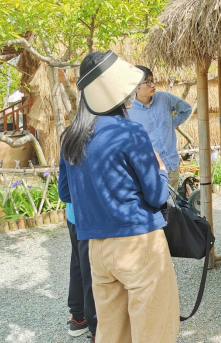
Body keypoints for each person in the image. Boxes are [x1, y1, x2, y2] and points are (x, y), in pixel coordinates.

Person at [59, 51, 180, 343]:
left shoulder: (71, 136)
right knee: (154, 331)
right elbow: (157, 195)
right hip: (139, 243)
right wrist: (162, 171)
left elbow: (66, 193)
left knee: (112, 333)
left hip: (96, 247)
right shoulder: (130, 131)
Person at [129, 65, 192, 190]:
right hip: (150, 171)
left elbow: (186, 109)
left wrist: (171, 124)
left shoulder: (165, 98)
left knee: (171, 202)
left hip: (171, 166)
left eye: (153, 80)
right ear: (135, 87)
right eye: (147, 82)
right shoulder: (129, 112)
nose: (152, 85)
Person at [66, 202, 97, 342]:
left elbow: (64, 194)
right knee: (92, 272)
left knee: (78, 264)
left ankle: (78, 317)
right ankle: (97, 329)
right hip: (92, 218)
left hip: (74, 214)